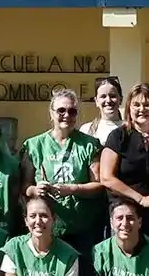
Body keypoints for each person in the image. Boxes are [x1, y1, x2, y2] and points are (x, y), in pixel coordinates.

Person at [22, 89, 105, 258]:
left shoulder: (89, 145)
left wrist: (73, 189)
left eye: (72, 111)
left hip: (82, 228)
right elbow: (24, 186)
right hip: (47, 227)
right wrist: (36, 190)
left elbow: (99, 185)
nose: (66, 115)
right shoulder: (34, 145)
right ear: (51, 113)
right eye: (61, 110)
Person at [99, 83, 149, 240]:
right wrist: (141, 199)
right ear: (129, 108)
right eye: (136, 105)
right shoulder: (118, 136)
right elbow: (106, 177)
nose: (141, 109)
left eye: (147, 105)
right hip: (124, 214)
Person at [80, 76, 124, 142]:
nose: (108, 100)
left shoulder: (130, 129)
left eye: (112, 96)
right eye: (103, 96)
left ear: (120, 99)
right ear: (96, 101)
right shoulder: (86, 130)